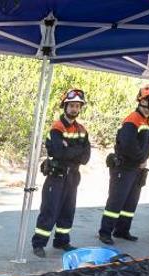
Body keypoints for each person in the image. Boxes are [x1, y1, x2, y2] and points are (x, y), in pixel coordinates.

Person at [98, 82, 149, 244]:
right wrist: (141, 159)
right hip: (125, 167)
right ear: (143, 100)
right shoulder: (133, 120)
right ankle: (105, 232)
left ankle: (122, 230)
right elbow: (128, 144)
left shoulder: (146, 120)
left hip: (136, 169)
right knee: (116, 201)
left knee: (130, 202)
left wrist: (142, 161)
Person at [31, 88, 91, 257]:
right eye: (71, 105)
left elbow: (85, 157)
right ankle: (38, 244)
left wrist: (69, 149)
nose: (74, 109)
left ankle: (62, 241)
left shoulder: (82, 130)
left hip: (73, 176)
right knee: (49, 210)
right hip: (56, 175)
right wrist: (75, 151)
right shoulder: (56, 128)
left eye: (77, 106)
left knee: (67, 210)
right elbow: (58, 153)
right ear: (65, 106)